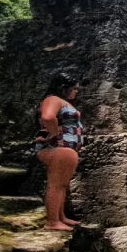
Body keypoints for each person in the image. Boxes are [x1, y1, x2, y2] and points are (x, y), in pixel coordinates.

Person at [35, 72, 84, 232]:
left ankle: (60, 217)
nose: (76, 91)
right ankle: (52, 221)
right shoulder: (53, 99)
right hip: (56, 149)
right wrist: (55, 133)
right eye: (74, 88)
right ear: (63, 87)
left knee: (62, 185)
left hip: (65, 150)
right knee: (56, 185)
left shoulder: (62, 102)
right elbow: (48, 117)